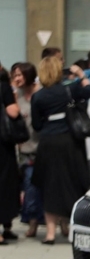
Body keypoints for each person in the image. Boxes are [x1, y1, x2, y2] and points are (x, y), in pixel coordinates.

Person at [31, 56, 90, 244]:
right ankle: (71, 227)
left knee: (50, 185)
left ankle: (50, 233)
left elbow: (36, 124)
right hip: (69, 142)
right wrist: (81, 74)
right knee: (72, 182)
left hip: (48, 142)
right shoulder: (70, 89)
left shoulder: (38, 96)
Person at [11, 62, 44, 238]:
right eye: (14, 75)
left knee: (35, 187)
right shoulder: (17, 98)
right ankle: (33, 221)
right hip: (24, 151)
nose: (16, 78)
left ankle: (38, 222)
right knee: (29, 187)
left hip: (41, 149)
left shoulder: (41, 94)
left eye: (19, 75)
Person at [0, 67, 21, 245]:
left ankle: (6, 227)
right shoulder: (4, 87)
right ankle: (4, 228)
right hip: (2, 144)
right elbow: (13, 111)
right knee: (5, 183)